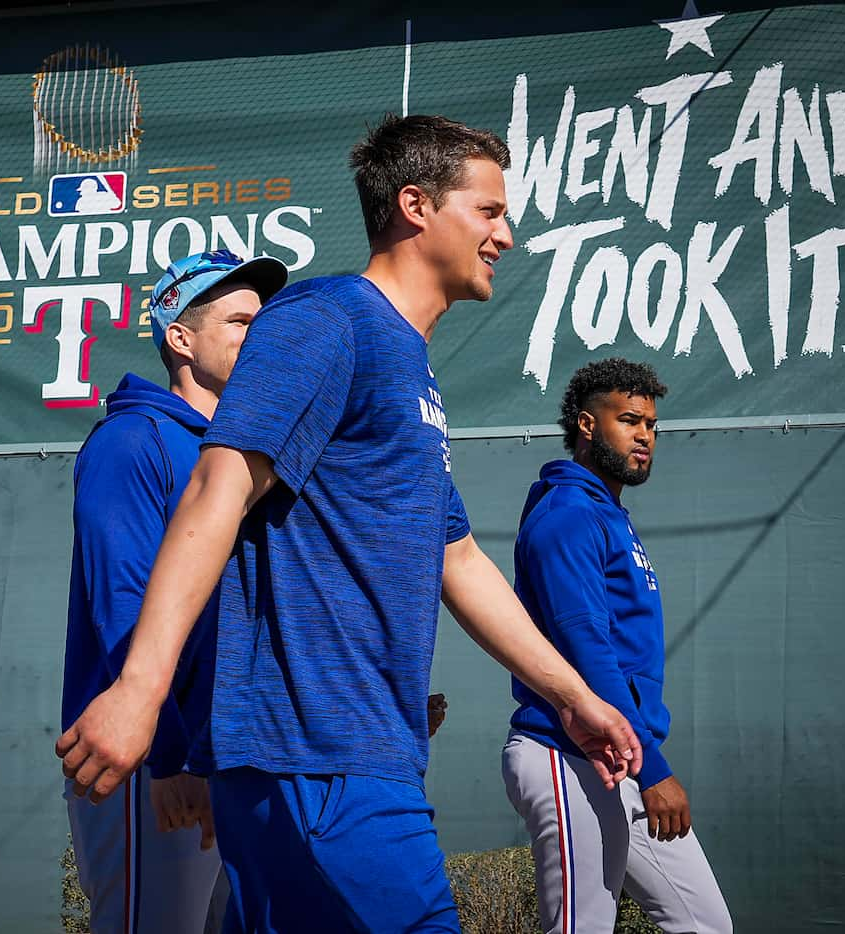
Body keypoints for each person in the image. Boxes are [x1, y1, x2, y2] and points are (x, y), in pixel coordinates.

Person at [56, 114, 645, 933]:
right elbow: (214, 491)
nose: (505, 235)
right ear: (414, 206)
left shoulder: (408, 364)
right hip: (315, 753)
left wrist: (572, 695)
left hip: (359, 752)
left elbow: (458, 557)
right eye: (487, 211)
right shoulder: (325, 320)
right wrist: (141, 690)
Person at [63, 249, 288, 934]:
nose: (261, 336)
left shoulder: (243, 450)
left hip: (234, 753)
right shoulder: (132, 440)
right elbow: (120, 604)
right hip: (148, 756)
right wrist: (166, 751)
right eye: (241, 321)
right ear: (180, 338)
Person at [502, 359, 732, 933]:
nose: (645, 436)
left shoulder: (610, 515)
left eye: (652, 425)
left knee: (707, 925)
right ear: (586, 424)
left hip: (619, 756)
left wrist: (640, 760)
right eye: (629, 420)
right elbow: (587, 650)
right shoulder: (568, 513)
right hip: (568, 753)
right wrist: (651, 770)